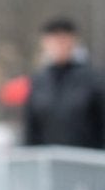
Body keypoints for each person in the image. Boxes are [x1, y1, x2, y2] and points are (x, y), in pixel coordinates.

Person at [23, 15, 105, 149]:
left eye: (63, 39)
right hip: (49, 163)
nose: (58, 45)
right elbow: (31, 130)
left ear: (73, 41)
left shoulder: (93, 80)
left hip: (86, 161)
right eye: (53, 40)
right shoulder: (38, 83)